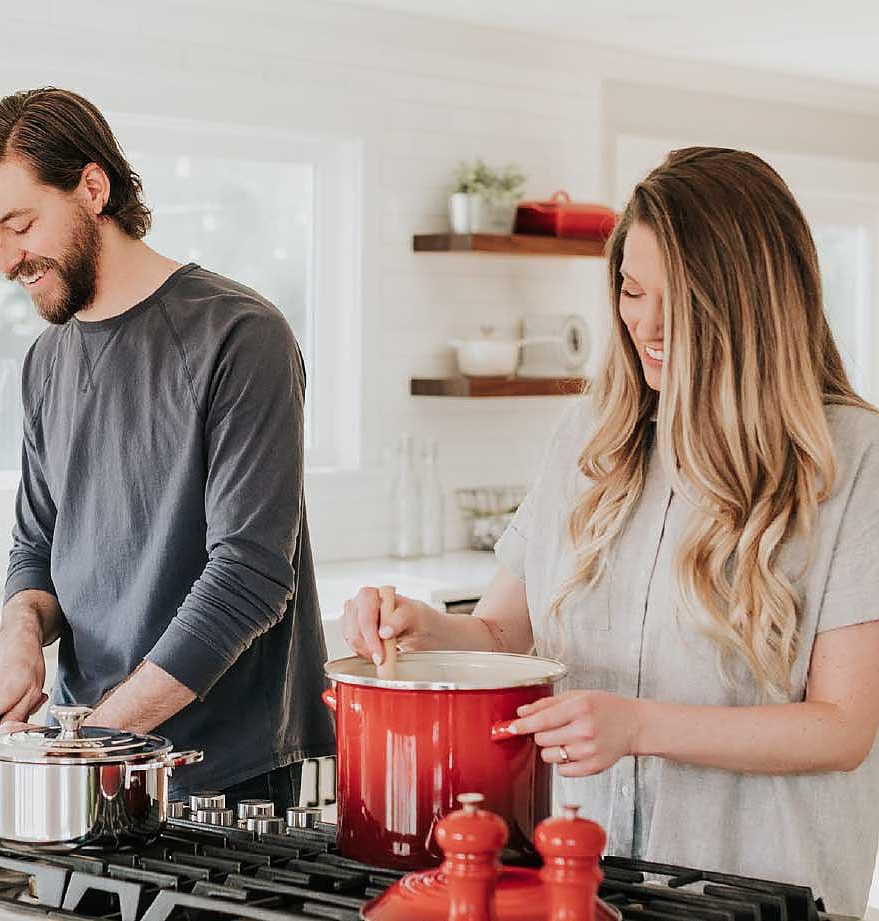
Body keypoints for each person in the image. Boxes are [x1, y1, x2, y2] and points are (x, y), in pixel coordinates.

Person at [341, 147, 879, 915]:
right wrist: (421, 628)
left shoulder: (854, 458)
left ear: (752, 303)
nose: (647, 324)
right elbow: (501, 632)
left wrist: (641, 725)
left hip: (760, 893)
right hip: (586, 890)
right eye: (632, 290)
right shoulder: (591, 435)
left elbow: (842, 726)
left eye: (680, 300)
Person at [0, 87, 334, 810]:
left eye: (18, 225)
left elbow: (250, 576)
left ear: (94, 187)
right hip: (82, 758)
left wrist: (84, 746)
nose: (4, 261)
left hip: (222, 777)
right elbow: (37, 544)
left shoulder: (241, 335)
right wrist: (19, 632)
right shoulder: (46, 360)